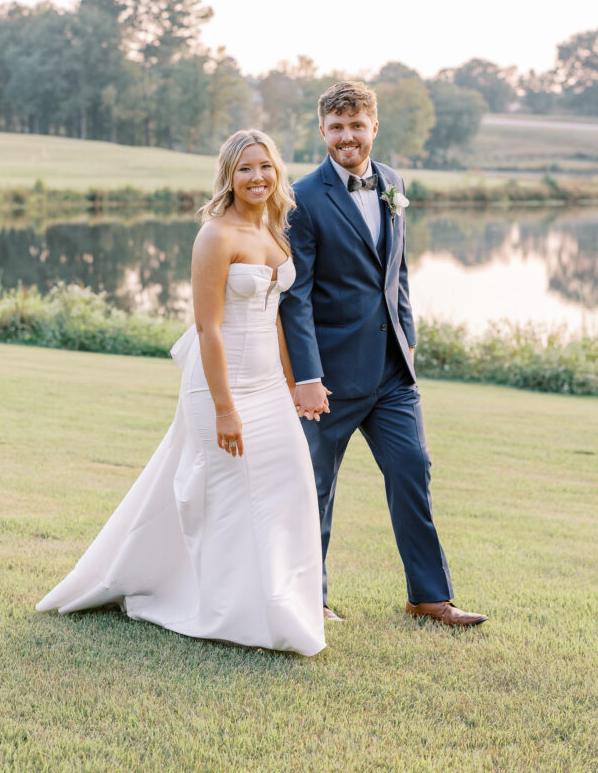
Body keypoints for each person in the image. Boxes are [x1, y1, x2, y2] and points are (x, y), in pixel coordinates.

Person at [36, 130, 325, 656]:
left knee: (291, 488)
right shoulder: (216, 235)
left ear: (277, 171)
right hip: (222, 385)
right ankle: (228, 612)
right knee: (228, 500)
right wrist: (224, 410)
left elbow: (278, 316)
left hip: (268, 386)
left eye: (265, 166)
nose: (257, 177)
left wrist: (291, 381)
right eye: (244, 168)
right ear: (228, 176)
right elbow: (209, 329)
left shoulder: (276, 232)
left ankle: (284, 604)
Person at [279, 82, 487, 627]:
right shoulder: (300, 198)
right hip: (330, 377)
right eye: (336, 127)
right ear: (322, 131)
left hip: (394, 372)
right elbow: (295, 297)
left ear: (374, 126)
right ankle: (311, 600)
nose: (347, 136)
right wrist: (306, 376)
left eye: (356, 125)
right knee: (316, 488)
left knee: (412, 469)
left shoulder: (393, 183)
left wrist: (410, 338)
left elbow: (398, 272)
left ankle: (429, 596)